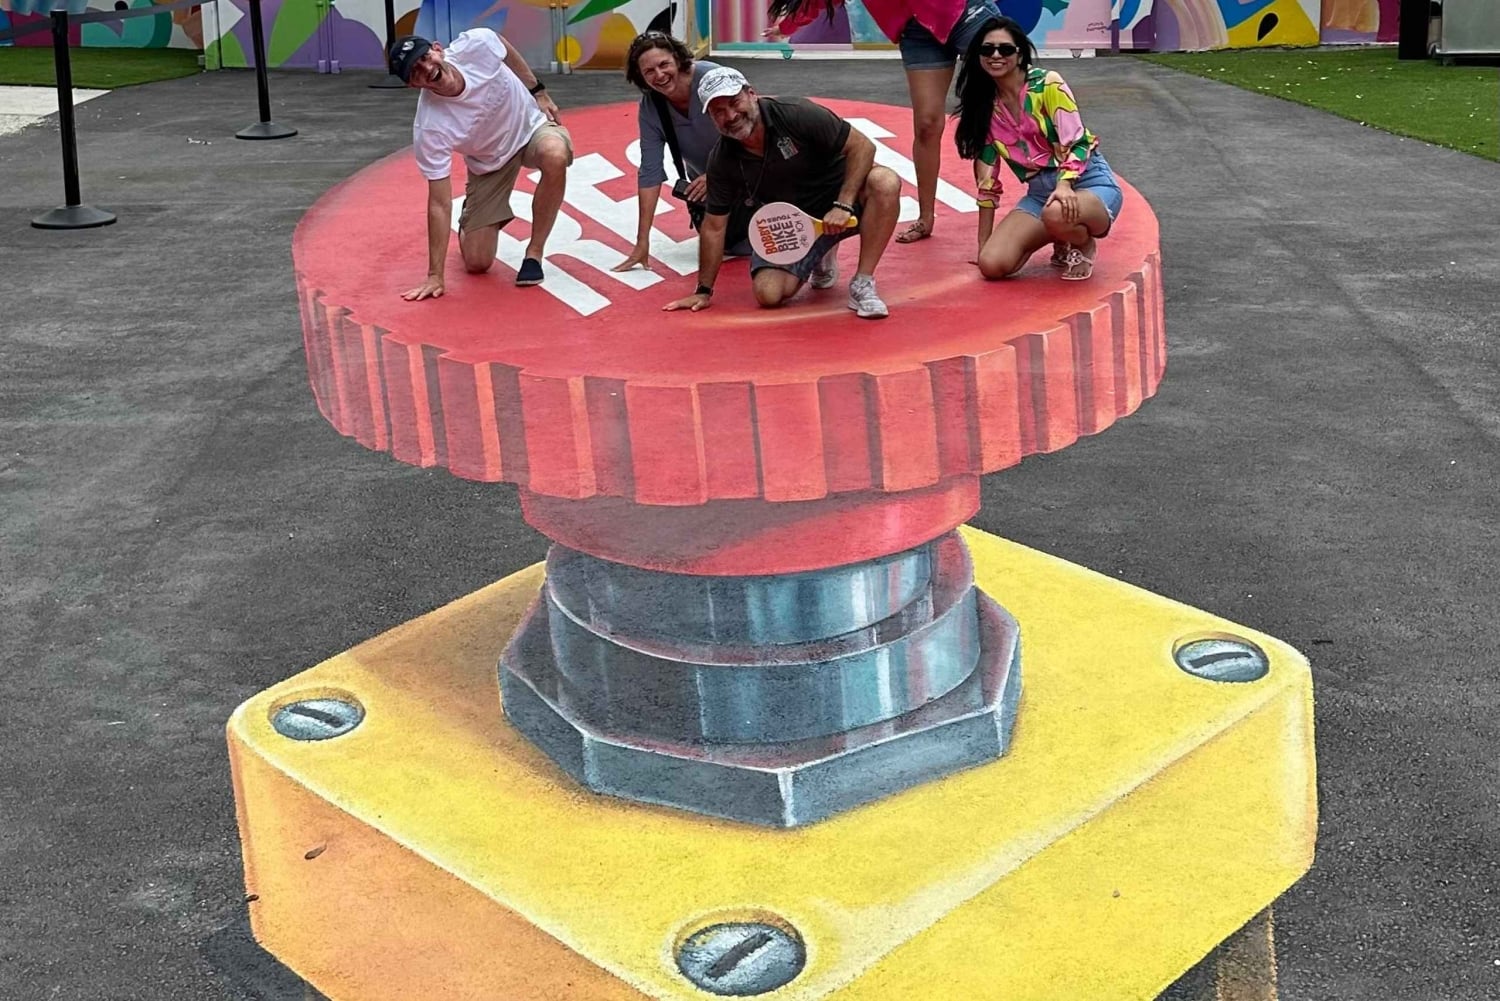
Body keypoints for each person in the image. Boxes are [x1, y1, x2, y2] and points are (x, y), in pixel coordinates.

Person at [765, 0, 1011, 245]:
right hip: (916, 31)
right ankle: (925, 218)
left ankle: (1026, 209)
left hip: (965, 11)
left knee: (1008, 106)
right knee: (927, 125)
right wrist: (787, 26)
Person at [662, 67, 901, 319]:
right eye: (718, 111)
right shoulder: (722, 159)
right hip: (792, 223)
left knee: (884, 182)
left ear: (751, 94)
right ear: (711, 118)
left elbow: (863, 146)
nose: (730, 115)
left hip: (841, 200)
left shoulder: (796, 113)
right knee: (768, 293)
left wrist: (843, 204)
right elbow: (714, 227)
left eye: (734, 102)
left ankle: (863, 282)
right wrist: (703, 291)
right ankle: (820, 252)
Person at [388, 31, 573, 300]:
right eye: (415, 71)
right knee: (477, 262)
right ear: (412, 85)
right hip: (489, 163)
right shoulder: (430, 126)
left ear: (438, 49)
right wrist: (435, 275)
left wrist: (538, 90)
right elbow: (439, 203)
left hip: (530, 127)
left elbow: (504, 46)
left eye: (425, 57)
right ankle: (470, 218)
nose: (427, 69)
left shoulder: (476, 46)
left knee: (555, 155)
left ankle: (534, 253)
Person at [952, 17, 1123, 281]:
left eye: (1005, 49)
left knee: (1056, 212)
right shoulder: (984, 107)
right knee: (992, 264)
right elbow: (987, 182)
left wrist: (1064, 185)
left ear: (1020, 54)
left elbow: (1078, 142)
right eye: (987, 49)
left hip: (1087, 182)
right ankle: (1059, 233)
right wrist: (982, 244)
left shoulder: (1047, 84)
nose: (995, 55)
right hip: (1040, 195)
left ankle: (1082, 242)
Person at [612, 32, 752, 272]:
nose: (659, 75)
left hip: (750, 174)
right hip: (711, 193)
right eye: (649, 71)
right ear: (640, 77)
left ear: (677, 59)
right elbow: (650, 172)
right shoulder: (651, 107)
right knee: (729, 245)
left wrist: (716, 175)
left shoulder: (711, 78)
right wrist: (642, 241)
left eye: (664, 64)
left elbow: (756, 131)